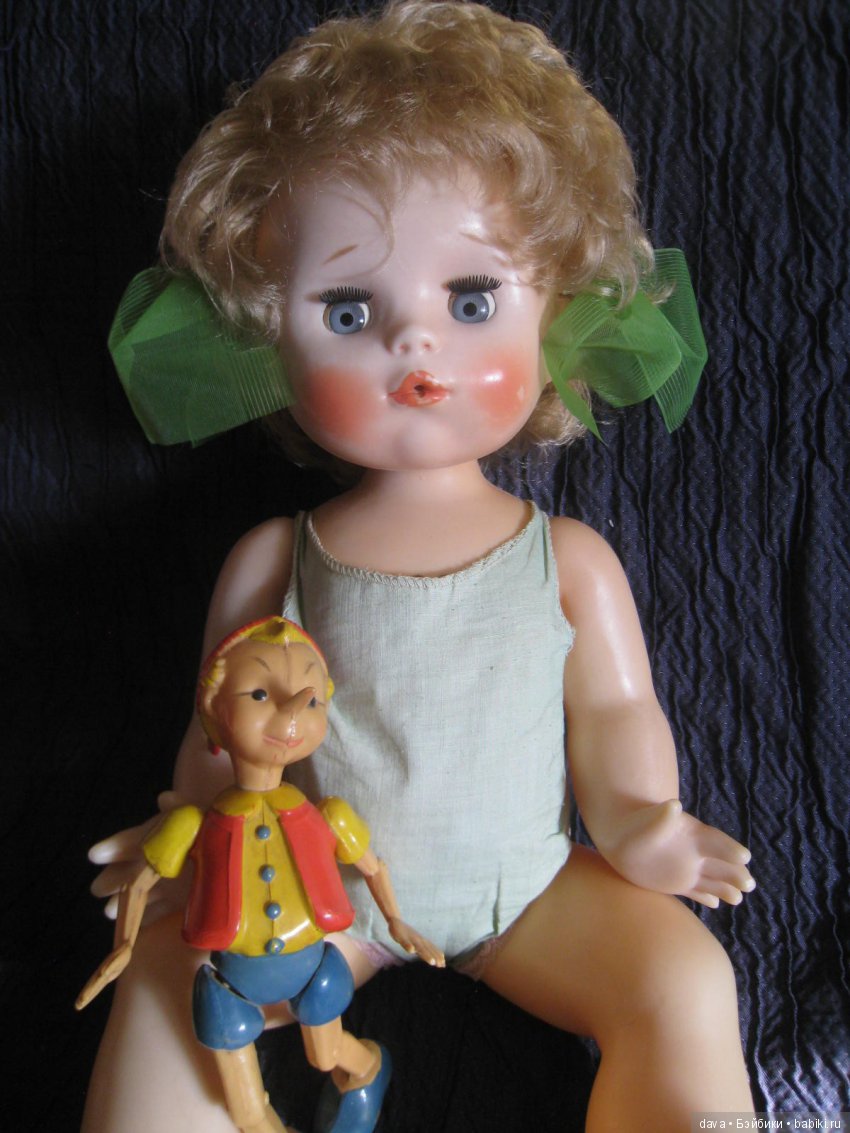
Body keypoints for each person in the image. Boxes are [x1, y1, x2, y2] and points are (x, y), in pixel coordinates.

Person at [84, 3, 756, 1130]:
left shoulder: (566, 559)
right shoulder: (277, 557)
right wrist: (184, 829)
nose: (416, 343)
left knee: (685, 975)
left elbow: (616, 710)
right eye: (348, 309)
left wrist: (644, 818)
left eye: (473, 299)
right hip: (318, 898)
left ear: (555, 309)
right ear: (268, 336)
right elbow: (222, 726)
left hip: (531, 890)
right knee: (167, 970)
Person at [77, 616, 443, 1133]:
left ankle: (367, 1069)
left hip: (311, 966)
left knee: (326, 1054)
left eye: (311, 701)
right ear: (213, 708)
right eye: (259, 694)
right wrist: (124, 947)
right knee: (248, 1111)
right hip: (230, 980)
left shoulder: (329, 815)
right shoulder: (193, 823)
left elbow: (372, 866)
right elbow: (141, 882)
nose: (291, 712)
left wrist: (397, 922)